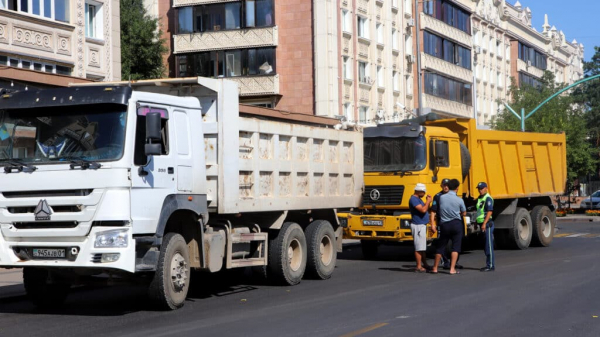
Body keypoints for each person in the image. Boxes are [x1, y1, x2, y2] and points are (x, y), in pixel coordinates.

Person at [431, 179, 466, 275]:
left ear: (448, 187)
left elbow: (436, 209)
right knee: (455, 247)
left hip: (444, 224)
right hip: (456, 224)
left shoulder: (441, 198)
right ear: (457, 188)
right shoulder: (459, 200)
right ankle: (452, 269)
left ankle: (435, 268)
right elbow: (464, 212)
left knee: (440, 246)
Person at [409, 183, 432, 273]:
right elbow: (423, 210)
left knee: (422, 247)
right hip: (418, 225)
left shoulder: (418, 199)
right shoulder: (414, 199)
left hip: (421, 225)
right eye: (423, 192)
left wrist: (426, 201)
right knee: (419, 247)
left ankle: (424, 264)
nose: (424, 193)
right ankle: (418, 266)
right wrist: (428, 202)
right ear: (419, 191)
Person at [476, 182, 495, 272]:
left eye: (482, 188)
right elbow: (479, 212)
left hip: (487, 224)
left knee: (489, 245)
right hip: (481, 224)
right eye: (479, 188)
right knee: (484, 245)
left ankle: (491, 265)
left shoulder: (488, 198)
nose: (480, 190)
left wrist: (484, 223)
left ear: (486, 188)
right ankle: (488, 264)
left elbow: (489, 211)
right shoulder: (479, 198)